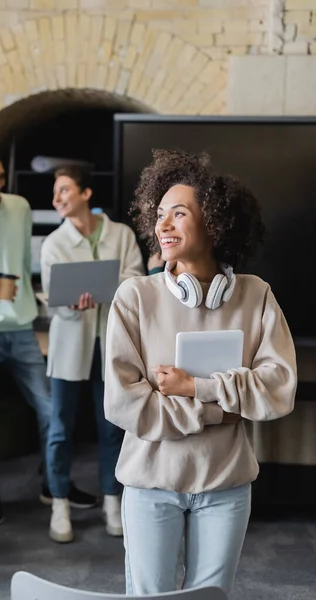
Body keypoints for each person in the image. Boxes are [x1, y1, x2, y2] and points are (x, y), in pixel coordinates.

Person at [104, 149, 297, 594]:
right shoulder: (134, 297)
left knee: (212, 596)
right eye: (159, 214)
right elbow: (124, 402)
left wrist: (196, 387)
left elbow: (278, 387)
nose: (163, 224)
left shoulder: (256, 295)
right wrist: (221, 408)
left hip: (226, 483)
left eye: (179, 213)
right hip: (151, 482)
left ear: (214, 222)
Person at [0, 148, 97, 525]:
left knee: (52, 413)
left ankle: (54, 485)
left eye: (2, 177)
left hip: (21, 328)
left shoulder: (19, 206)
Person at [41, 165, 145, 543]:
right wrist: (75, 302)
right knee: (60, 429)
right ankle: (59, 506)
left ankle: (111, 502)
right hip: (69, 342)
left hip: (112, 344)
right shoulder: (54, 242)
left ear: (86, 193)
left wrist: (105, 285)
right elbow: (55, 299)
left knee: (112, 429)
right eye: (55, 192)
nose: (57, 198)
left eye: (65, 189)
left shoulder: (121, 234)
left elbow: (136, 281)